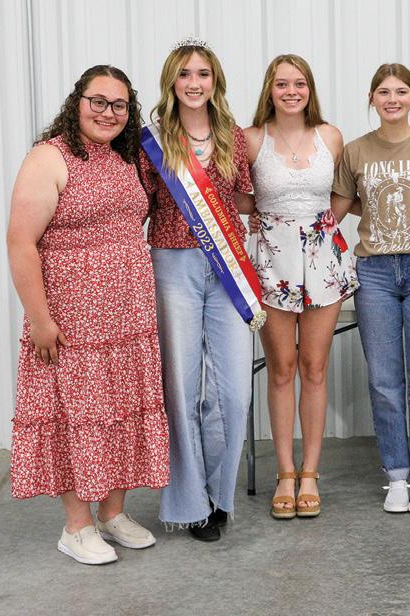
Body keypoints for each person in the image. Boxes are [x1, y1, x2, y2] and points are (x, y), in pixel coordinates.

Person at [7, 65, 169, 565]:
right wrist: (40, 320)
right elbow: (20, 242)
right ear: (77, 102)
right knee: (76, 417)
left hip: (127, 319)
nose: (108, 113)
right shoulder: (49, 157)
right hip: (72, 321)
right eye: (98, 101)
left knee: (119, 411)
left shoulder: (127, 157)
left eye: (119, 105)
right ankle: (76, 526)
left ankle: (112, 513)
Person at [140, 38, 256, 541]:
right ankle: (191, 504)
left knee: (234, 392)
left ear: (215, 82)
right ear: (172, 81)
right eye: (185, 73)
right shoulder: (151, 141)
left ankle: (220, 494)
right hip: (173, 267)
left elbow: (245, 200)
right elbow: (138, 207)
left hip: (227, 269)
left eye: (203, 74)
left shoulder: (234, 137)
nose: (194, 82)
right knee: (182, 388)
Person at [332, 63, 410, 514]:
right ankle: (397, 475)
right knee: (384, 380)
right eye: (384, 92)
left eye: (401, 91)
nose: (393, 99)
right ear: (372, 99)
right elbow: (339, 208)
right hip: (375, 273)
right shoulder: (355, 151)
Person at [245, 54, 358, 519]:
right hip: (271, 260)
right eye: (282, 84)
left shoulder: (330, 135)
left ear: (310, 89)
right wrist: (258, 218)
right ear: (269, 90)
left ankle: (310, 472)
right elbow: (235, 195)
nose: (291, 91)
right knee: (281, 369)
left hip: (323, 260)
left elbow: (345, 191)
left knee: (314, 368)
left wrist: (326, 226)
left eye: (299, 83)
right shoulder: (251, 139)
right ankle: (285, 473)